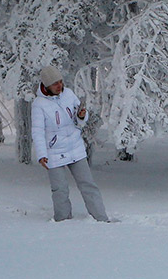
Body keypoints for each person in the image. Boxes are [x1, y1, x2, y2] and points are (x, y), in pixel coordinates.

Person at [30, 65, 110, 222]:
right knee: (60, 189)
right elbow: (37, 131)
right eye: (55, 83)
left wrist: (82, 116)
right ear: (46, 85)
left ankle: (101, 218)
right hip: (54, 152)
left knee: (88, 185)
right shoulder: (39, 104)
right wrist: (42, 155)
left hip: (75, 148)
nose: (59, 86)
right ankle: (63, 221)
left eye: (60, 81)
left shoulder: (69, 94)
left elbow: (80, 122)